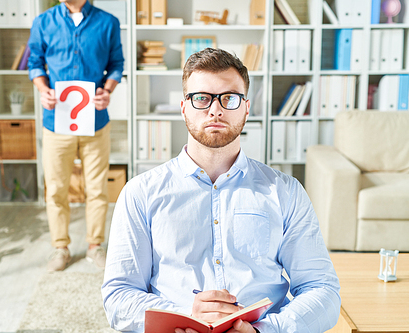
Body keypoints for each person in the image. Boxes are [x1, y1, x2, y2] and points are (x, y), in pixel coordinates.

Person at [102, 48, 341, 332]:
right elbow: (118, 297)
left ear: (246, 108)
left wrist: (264, 330)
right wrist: (185, 314)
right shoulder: (139, 193)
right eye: (201, 98)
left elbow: (323, 290)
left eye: (229, 98)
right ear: (184, 108)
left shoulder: (285, 191)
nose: (215, 109)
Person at [28, 0, 124, 271]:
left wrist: (108, 89)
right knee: (56, 188)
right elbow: (34, 62)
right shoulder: (43, 22)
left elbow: (117, 64)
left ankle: (95, 246)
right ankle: (60, 248)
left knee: (97, 188)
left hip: (95, 122)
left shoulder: (108, 23)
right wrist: (42, 89)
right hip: (56, 122)